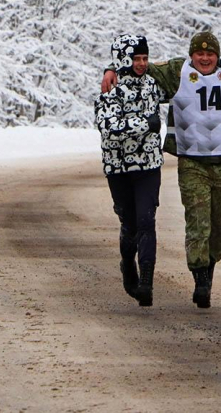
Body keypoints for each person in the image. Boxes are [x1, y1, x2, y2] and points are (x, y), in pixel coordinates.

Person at [102, 32, 221, 308]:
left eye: (210, 54)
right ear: (192, 54)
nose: (204, 58)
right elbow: (134, 65)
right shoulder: (176, 72)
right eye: (199, 54)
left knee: (219, 226)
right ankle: (200, 279)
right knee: (198, 221)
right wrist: (109, 69)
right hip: (192, 160)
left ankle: (209, 268)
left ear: (218, 55)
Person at [95, 34, 164, 307]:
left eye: (145, 58)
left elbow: (187, 75)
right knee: (131, 223)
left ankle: (147, 282)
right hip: (118, 167)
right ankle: (127, 263)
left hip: (149, 166)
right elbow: (110, 128)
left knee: (147, 221)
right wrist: (146, 123)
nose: (142, 63)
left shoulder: (153, 85)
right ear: (123, 59)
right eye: (136, 58)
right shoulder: (110, 88)